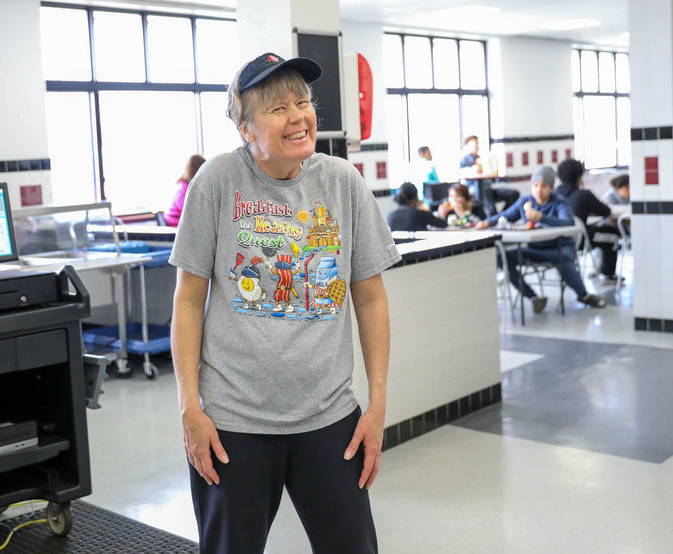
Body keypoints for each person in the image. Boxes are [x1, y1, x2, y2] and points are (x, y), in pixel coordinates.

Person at [168, 52, 401, 554]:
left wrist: (377, 404)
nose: (298, 116)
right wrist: (190, 407)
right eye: (277, 108)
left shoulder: (342, 182)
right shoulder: (216, 182)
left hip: (330, 417)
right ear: (245, 127)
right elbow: (189, 300)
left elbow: (371, 300)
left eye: (303, 101)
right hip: (233, 424)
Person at [475, 166, 606, 312]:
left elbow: (568, 222)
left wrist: (541, 217)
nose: (538, 190)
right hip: (533, 248)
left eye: (543, 186)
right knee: (502, 257)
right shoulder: (526, 201)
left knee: (564, 260)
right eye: (535, 186)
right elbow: (506, 215)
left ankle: (583, 295)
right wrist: (488, 222)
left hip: (558, 247)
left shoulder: (559, 202)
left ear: (551, 188)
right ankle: (532, 297)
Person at [555, 159, 622, 284]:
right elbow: (605, 211)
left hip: (557, 240)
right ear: (579, 176)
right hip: (578, 240)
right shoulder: (583, 194)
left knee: (597, 228)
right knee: (612, 236)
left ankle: (597, 269)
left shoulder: (555, 193)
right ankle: (607, 274)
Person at [459, 135, 519, 218]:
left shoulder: (480, 158)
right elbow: (466, 175)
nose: (477, 146)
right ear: (466, 145)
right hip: (475, 191)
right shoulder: (464, 160)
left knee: (513, 194)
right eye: (474, 144)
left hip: (487, 188)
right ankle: (493, 216)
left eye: (478, 143)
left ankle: (500, 216)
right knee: (486, 195)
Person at [162, 154, 207, 226]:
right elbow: (192, 211)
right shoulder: (183, 190)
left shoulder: (182, 186)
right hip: (177, 228)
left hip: (180, 226)